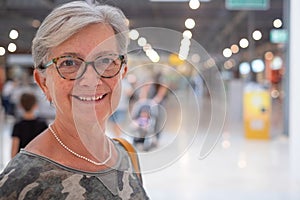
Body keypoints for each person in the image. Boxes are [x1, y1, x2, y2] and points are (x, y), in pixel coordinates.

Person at [0, 1, 149, 199]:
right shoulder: (18, 184)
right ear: (43, 82)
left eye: (105, 60)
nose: (90, 79)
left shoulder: (126, 155)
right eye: (69, 63)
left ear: (122, 72)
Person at [11, 92, 48, 158]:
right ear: (35, 105)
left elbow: (14, 149)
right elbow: (46, 146)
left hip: (22, 161)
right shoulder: (42, 124)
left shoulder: (18, 125)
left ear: (20, 106)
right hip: (38, 160)